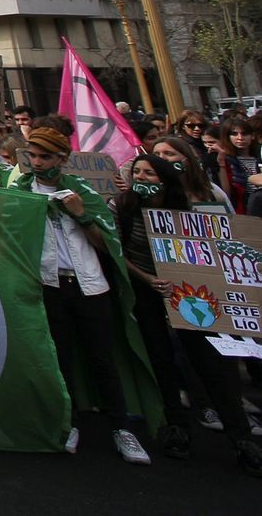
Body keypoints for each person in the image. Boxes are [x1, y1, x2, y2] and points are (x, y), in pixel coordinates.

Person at [114, 153, 262, 472]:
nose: (141, 178)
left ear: (165, 179)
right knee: (161, 359)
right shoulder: (123, 208)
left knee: (211, 364)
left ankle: (241, 437)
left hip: (191, 294)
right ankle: (178, 427)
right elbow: (116, 250)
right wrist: (149, 280)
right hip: (148, 291)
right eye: (137, 172)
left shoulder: (188, 212)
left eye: (149, 174)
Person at [15, 126, 151, 463]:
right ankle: (69, 421)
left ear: (62, 158)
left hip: (89, 286)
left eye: (44, 156)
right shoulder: (21, 192)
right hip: (50, 286)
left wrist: (81, 214)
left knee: (101, 358)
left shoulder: (82, 190)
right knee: (61, 358)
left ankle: (121, 429)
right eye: (32, 155)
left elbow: (108, 246)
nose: (36, 162)